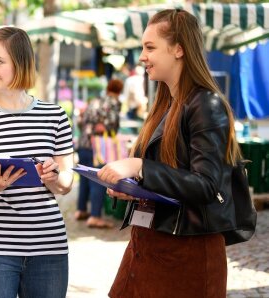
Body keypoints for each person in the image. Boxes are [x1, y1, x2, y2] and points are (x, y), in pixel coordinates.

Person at [96, 9, 242, 297]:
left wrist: (140, 167)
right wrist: (134, 189)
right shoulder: (165, 103)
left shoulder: (206, 104)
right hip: (148, 247)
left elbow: (207, 186)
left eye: (150, 47)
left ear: (178, 49)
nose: (141, 56)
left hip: (186, 254)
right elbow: (170, 176)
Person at [0, 27, 74, 298]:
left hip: (49, 248)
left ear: (20, 63)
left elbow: (67, 184)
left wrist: (55, 178)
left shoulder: (54, 116)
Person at [75, 79, 123, 228]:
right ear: (119, 90)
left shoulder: (95, 100)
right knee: (98, 180)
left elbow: (81, 122)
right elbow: (112, 124)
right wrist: (108, 128)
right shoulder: (113, 102)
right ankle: (95, 216)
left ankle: (81, 210)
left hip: (83, 144)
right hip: (98, 147)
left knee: (84, 179)